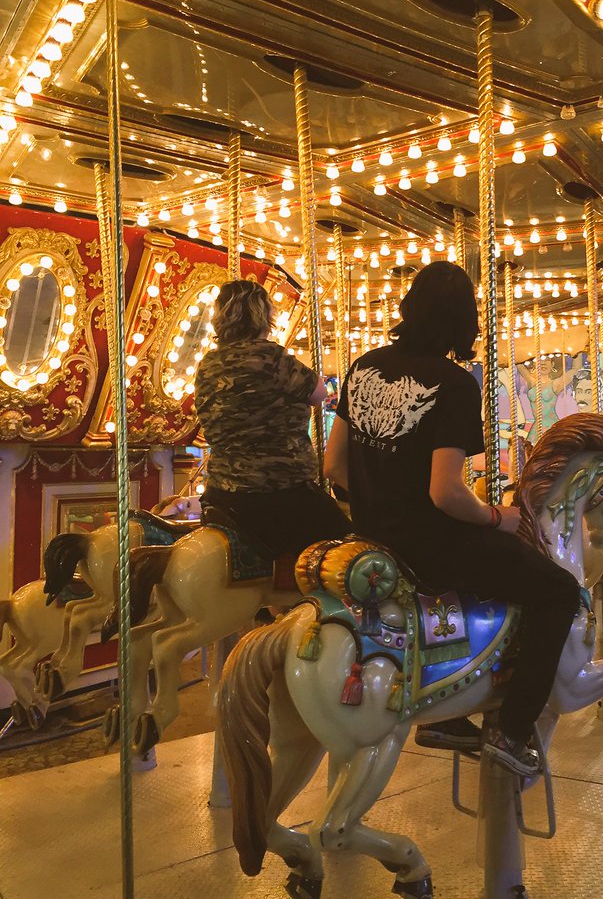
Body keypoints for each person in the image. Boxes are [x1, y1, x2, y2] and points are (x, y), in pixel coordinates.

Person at [325, 261, 581, 778]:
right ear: (465, 320)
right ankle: (511, 731)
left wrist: (381, 502)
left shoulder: (363, 367)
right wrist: (496, 517)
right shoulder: (455, 383)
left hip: (371, 540)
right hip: (430, 543)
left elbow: (333, 465)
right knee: (558, 591)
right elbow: (444, 493)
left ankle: (452, 712)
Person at [195, 280, 351, 556]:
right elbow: (320, 393)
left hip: (220, 492)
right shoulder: (270, 357)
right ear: (263, 315)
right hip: (278, 491)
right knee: (352, 549)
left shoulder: (208, 363)